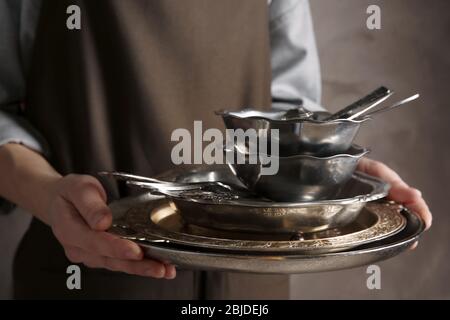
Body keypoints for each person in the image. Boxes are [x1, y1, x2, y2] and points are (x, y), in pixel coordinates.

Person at [0, 0, 431, 299]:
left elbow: (289, 114)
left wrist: (332, 172)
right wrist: (50, 193)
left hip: (252, 283)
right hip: (89, 277)